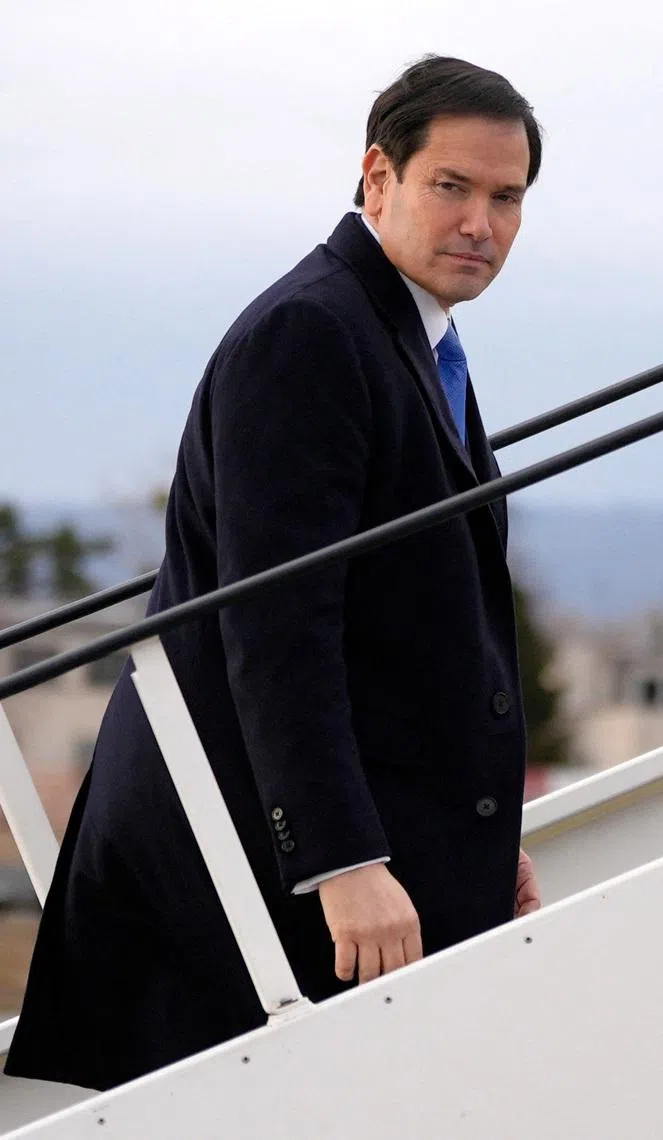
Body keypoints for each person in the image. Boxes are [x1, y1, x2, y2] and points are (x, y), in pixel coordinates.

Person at [6, 54, 543, 1091]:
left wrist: (471, 835)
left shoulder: (408, 338)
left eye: (508, 197)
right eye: (453, 187)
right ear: (377, 179)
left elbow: (402, 626)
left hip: (319, 846)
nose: (483, 221)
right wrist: (343, 865)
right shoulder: (313, 334)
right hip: (248, 867)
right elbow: (278, 623)